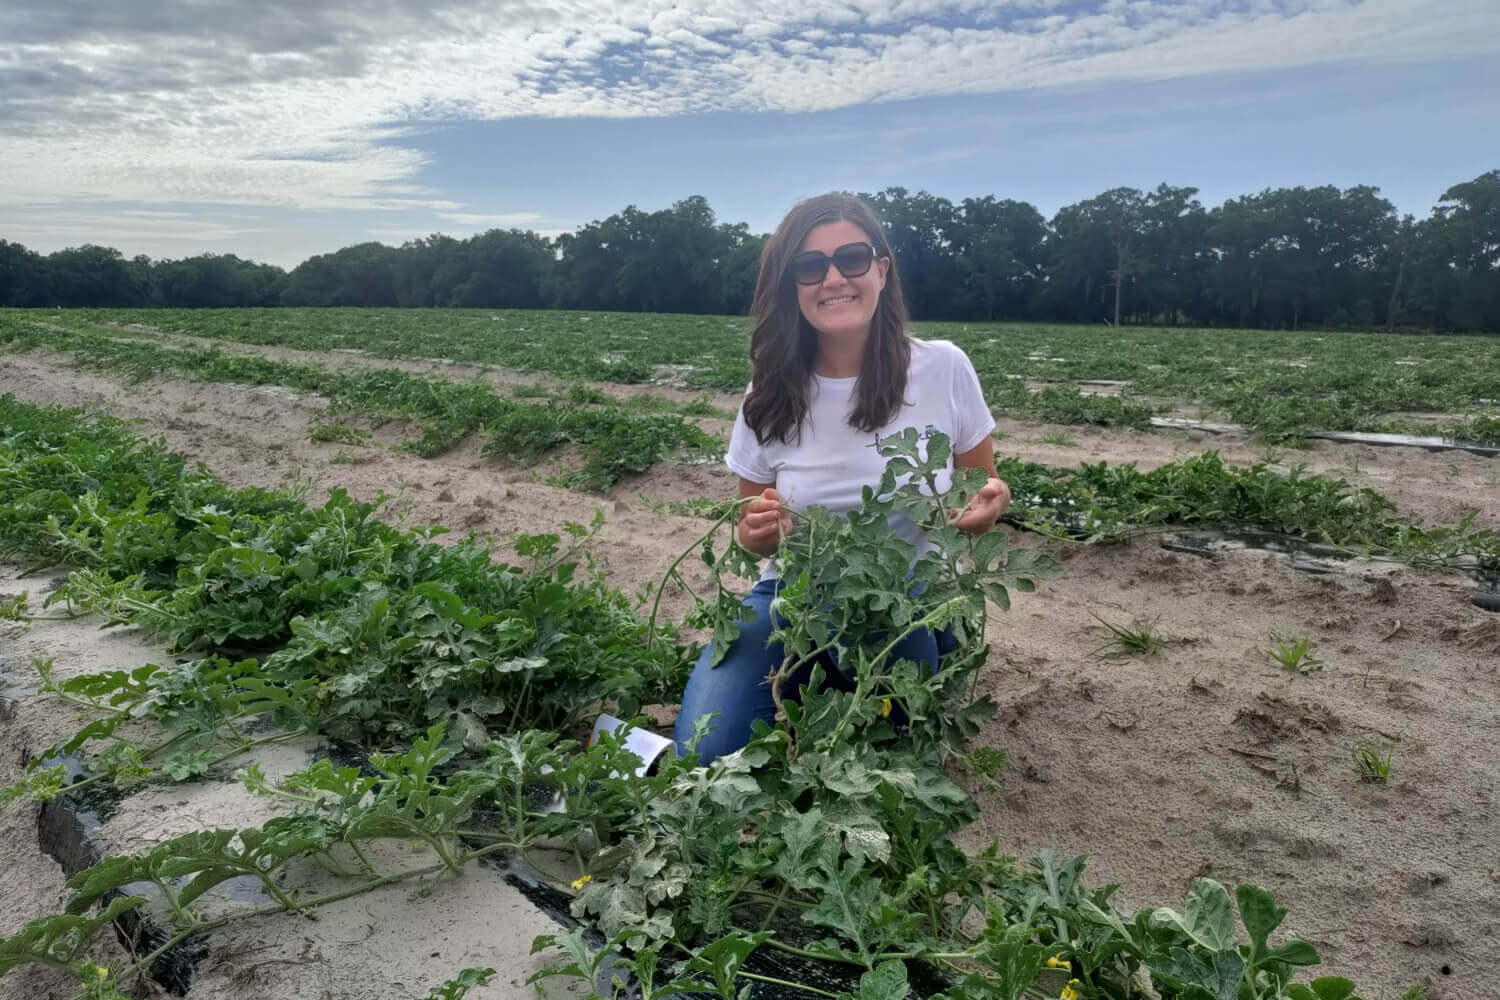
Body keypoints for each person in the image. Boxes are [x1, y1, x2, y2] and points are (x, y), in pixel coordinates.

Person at [673, 193, 1011, 764]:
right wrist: (759, 533)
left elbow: (980, 495)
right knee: (704, 755)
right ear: (791, 286)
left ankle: (841, 679)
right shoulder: (768, 395)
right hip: (795, 595)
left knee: (871, 752)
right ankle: (807, 670)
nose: (833, 277)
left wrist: (986, 507)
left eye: (851, 258)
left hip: (915, 599)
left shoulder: (944, 368)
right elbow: (752, 526)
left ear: (880, 269)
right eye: (809, 266)